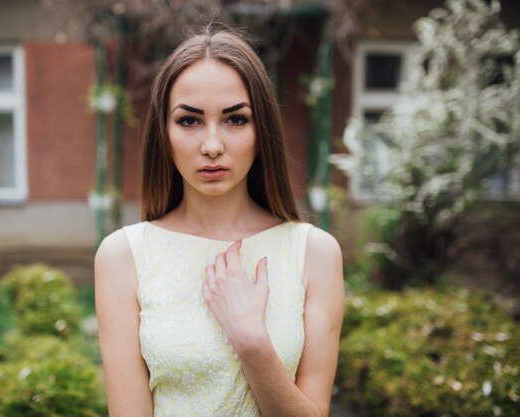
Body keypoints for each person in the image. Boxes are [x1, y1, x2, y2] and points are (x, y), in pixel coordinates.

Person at [94, 27, 344, 417]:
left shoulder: (314, 253)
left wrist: (251, 341)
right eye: (190, 121)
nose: (212, 146)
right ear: (164, 133)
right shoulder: (124, 256)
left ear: (262, 132)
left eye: (235, 120)